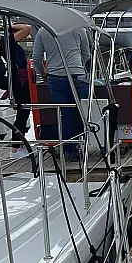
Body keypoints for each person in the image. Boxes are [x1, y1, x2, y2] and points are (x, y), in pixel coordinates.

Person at [33, 24, 91, 163]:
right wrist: (83, 70)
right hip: (77, 75)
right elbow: (86, 55)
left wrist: (43, 74)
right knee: (83, 112)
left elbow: (36, 58)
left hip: (55, 77)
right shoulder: (79, 29)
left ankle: (70, 149)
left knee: (64, 114)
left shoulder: (43, 31)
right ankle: (85, 144)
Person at [0, 20, 32, 159]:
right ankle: (15, 149)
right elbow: (28, 28)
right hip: (18, 83)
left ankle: (19, 146)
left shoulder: (6, 43)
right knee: (22, 114)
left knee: (23, 114)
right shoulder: (8, 41)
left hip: (19, 82)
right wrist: (7, 26)